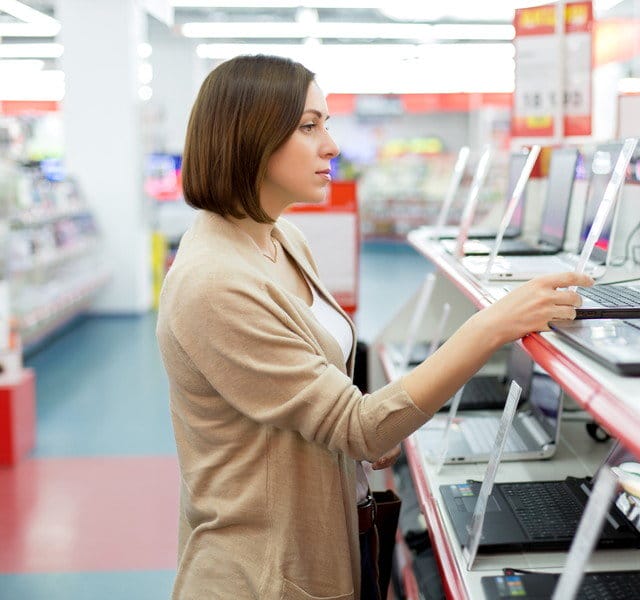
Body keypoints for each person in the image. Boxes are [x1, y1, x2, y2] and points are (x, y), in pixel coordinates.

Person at [156, 54, 592, 600]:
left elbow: (321, 396)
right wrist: (493, 325)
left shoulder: (282, 240)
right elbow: (358, 425)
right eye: (309, 126)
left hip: (324, 539)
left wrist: (359, 437)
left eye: (327, 124)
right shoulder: (213, 284)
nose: (332, 146)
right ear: (251, 139)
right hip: (262, 573)